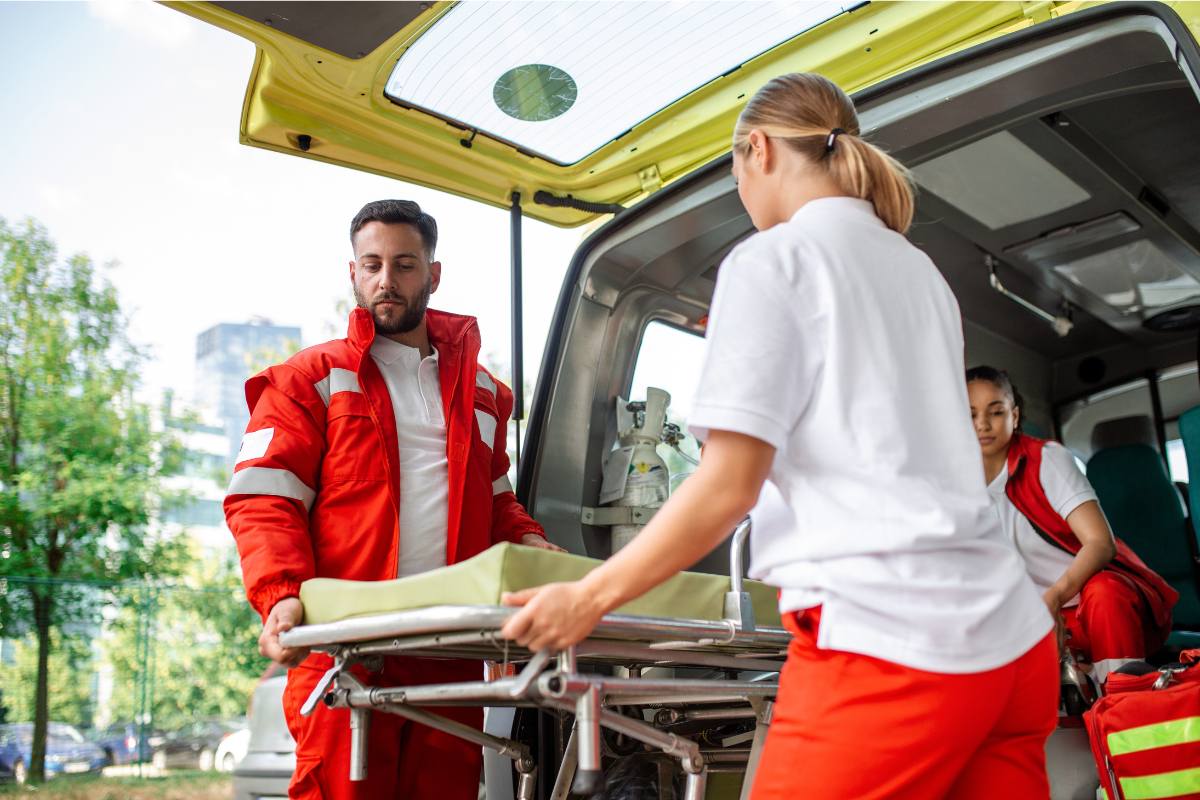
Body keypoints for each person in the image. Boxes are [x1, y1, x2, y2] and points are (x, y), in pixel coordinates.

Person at [501, 73, 1058, 799]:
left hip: (894, 643)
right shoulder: (918, 270)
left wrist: (592, 595)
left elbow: (731, 483)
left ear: (756, 149)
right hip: (1011, 648)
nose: (741, 189)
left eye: (735, 170)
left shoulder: (774, 259)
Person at [225, 199, 560, 800]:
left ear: (433, 274)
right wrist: (278, 593)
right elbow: (262, 497)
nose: (387, 280)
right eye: (372, 264)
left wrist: (534, 544)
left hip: (451, 647)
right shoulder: (310, 378)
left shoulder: (485, 394)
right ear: (352, 273)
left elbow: (495, 500)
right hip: (345, 645)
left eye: (405, 265)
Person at [966, 365, 1177, 685]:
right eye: (970, 415)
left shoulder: (1046, 460)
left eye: (995, 412)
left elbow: (1100, 543)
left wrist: (1054, 597)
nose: (982, 424)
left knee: (1105, 591)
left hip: (1088, 608)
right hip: (1028, 617)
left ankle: (1123, 701)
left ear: (1015, 415)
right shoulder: (955, 486)